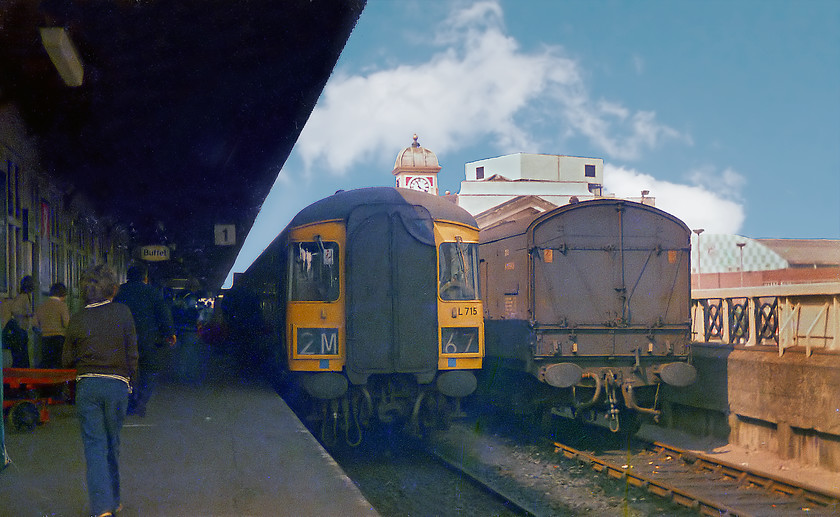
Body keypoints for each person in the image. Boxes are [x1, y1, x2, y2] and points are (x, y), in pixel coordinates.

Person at [62, 264, 137, 517]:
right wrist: (131, 384)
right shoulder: (123, 312)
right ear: (112, 290)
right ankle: (115, 501)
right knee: (112, 443)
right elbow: (132, 354)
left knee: (94, 446)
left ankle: (102, 508)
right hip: (117, 385)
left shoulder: (78, 317)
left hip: (88, 387)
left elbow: (66, 360)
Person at [114, 263, 176, 417]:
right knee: (149, 371)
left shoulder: (119, 292)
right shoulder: (152, 292)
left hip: (124, 340)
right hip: (148, 339)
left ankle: (129, 402)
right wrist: (169, 333)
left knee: (125, 372)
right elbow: (163, 313)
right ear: (145, 278)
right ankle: (141, 403)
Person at [35, 282, 71, 368]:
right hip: (59, 339)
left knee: (47, 364)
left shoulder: (42, 306)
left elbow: (35, 323)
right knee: (58, 364)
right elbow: (67, 323)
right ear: (63, 294)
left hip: (45, 339)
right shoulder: (62, 306)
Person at [2, 275, 35, 367]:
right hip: (20, 329)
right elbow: (14, 309)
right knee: (22, 356)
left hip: (22, 328)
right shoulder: (23, 297)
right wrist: (26, 314)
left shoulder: (25, 296)